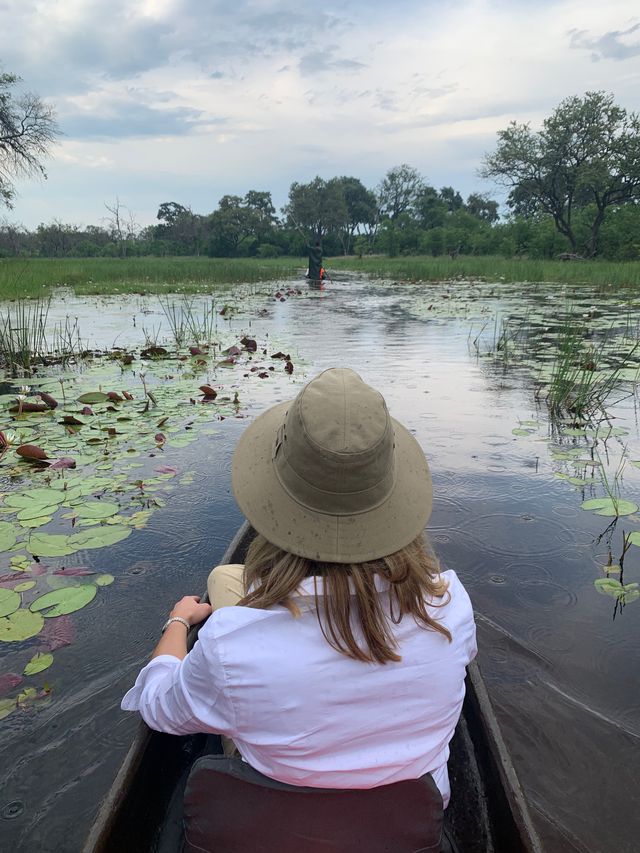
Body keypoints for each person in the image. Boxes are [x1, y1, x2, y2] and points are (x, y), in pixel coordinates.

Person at [121, 368, 477, 809]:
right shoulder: (452, 605)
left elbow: (158, 709)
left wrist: (179, 620)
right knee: (226, 581)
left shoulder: (230, 645)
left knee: (223, 579)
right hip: (411, 817)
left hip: (276, 816)